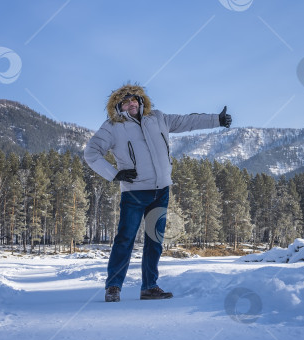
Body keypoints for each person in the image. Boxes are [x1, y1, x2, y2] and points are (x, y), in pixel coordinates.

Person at [84, 83, 232, 302]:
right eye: (124, 102)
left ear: (141, 101)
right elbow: (91, 152)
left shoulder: (158, 118)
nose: (130, 104)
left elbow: (187, 121)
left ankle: (149, 286)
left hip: (161, 190)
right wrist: (114, 174)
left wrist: (216, 120)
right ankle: (113, 286)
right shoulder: (112, 127)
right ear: (118, 106)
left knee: (155, 240)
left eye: (133, 99)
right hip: (134, 192)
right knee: (125, 239)